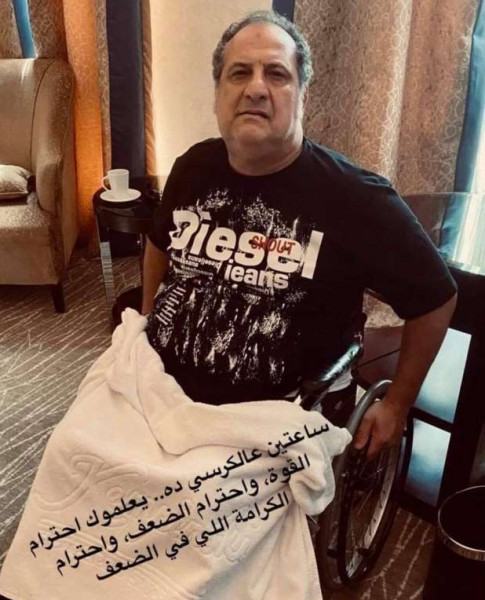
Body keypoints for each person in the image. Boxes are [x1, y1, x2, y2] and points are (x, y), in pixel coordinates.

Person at [141, 10, 457, 460]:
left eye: (276, 74)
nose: (255, 88)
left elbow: (436, 298)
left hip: (278, 422)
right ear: (218, 94)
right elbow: (159, 244)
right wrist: (144, 327)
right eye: (239, 73)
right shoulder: (192, 167)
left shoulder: (355, 197)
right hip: (162, 393)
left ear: (303, 94)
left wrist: (397, 404)